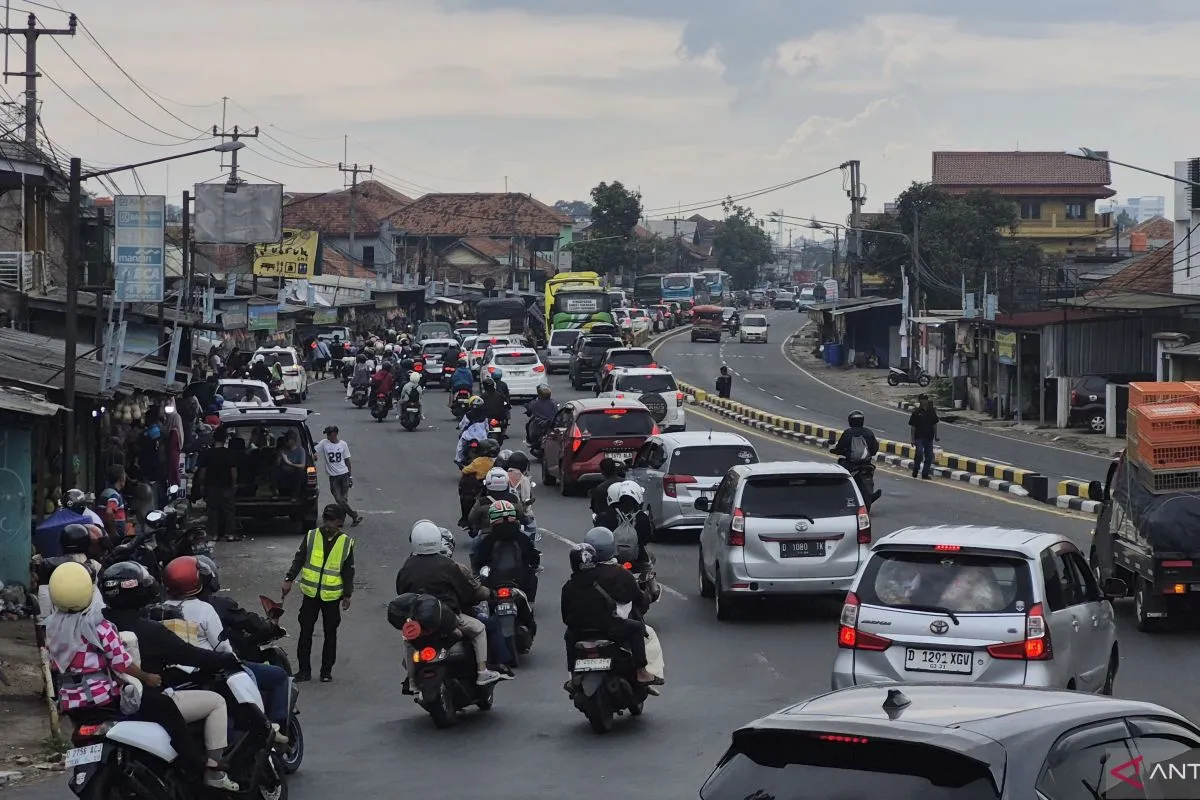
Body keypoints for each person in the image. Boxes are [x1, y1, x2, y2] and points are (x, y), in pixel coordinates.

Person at [97, 561, 242, 790]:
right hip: (144, 699)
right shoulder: (149, 630)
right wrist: (225, 659)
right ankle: (213, 773)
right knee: (216, 702)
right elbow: (190, 655)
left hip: (106, 699)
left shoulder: (97, 626)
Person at [394, 520, 512, 686]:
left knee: (408, 641)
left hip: (419, 621)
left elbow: (401, 591)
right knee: (479, 629)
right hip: (449, 617)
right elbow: (465, 591)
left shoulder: (407, 566)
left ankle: (412, 681)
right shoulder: (448, 565)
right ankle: (482, 672)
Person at [190, 557, 290, 729]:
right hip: (220, 668)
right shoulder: (216, 606)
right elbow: (248, 625)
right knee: (279, 676)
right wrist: (269, 627)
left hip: (187, 671)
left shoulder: (165, 609)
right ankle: (275, 728)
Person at [560, 532, 661, 690]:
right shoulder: (617, 573)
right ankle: (641, 672)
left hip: (580, 631)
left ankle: (573, 677)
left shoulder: (569, 585)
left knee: (568, 636)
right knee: (637, 628)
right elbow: (638, 600)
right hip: (609, 627)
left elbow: (566, 617)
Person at [282, 504, 355, 682]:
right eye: (325, 519)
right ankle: (304, 670)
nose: (327, 523)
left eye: (331, 520)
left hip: (331, 597)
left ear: (339, 522)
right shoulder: (312, 536)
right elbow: (299, 559)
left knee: (330, 634)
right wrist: (289, 579)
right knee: (305, 631)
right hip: (310, 594)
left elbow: (348, 570)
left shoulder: (346, 542)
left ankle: (326, 672)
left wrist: (347, 594)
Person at [474, 500, 540, 603]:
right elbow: (534, 558)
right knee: (532, 577)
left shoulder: (488, 540)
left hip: (493, 581)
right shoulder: (523, 538)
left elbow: (478, 561)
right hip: (520, 581)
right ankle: (530, 604)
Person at [193, 425, 239, 541]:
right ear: (225, 439)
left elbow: (202, 472)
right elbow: (233, 471)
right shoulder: (229, 453)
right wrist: (234, 484)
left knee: (213, 511)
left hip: (211, 487)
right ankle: (229, 534)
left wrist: (201, 485)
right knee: (228, 511)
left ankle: (213, 534)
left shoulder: (207, 454)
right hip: (226, 487)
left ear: (213, 439)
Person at [595, 480, 653, 564]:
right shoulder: (642, 517)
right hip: (637, 559)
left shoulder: (604, 516)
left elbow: (598, 537)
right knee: (649, 561)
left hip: (610, 559)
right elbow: (646, 539)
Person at [315, 426, 362, 527]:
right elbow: (314, 451)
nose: (328, 436)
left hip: (344, 474)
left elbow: (347, 460)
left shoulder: (343, 444)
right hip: (333, 477)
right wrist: (314, 456)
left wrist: (350, 476)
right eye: (327, 434)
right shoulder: (324, 443)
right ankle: (354, 515)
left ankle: (341, 521)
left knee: (343, 500)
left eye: (329, 434)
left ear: (335, 434)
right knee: (339, 499)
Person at [831, 410, 881, 498]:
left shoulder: (848, 433)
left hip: (851, 463)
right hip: (866, 463)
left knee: (841, 473)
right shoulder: (868, 432)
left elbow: (840, 448)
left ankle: (841, 493)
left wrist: (835, 451)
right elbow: (874, 449)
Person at [459, 438, 499, 526]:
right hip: (497, 485)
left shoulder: (478, 461)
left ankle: (465, 518)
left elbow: (465, 471)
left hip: (480, 485)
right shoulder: (499, 460)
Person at [908, 393, 939, 480]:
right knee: (919, 454)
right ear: (919, 401)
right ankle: (916, 468)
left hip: (929, 437)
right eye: (922, 400)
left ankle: (925, 473)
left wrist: (936, 436)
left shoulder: (931, 411)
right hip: (919, 437)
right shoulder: (916, 412)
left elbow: (934, 424)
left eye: (925, 399)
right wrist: (912, 439)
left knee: (929, 456)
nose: (923, 401)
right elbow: (913, 427)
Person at [455, 402, 491, 468]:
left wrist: (459, 427)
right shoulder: (484, 416)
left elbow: (462, 425)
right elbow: (487, 428)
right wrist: (486, 434)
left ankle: (458, 459)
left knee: (460, 446)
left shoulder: (468, 414)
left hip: (468, 436)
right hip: (482, 438)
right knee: (487, 450)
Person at [99, 465, 129, 541]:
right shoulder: (114, 495)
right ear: (121, 478)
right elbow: (109, 512)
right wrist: (114, 532)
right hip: (115, 537)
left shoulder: (105, 492)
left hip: (105, 532)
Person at [276, 429, 307, 496]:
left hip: (294, 473)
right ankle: (275, 492)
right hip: (283, 473)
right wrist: (279, 456)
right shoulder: (283, 450)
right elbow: (277, 465)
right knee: (274, 470)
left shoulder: (300, 450)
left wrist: (289, 463)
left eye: (287, 439)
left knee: (300, 471)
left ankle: (295, 494)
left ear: (292, 440)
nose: (285, 441)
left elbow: (302, 465)